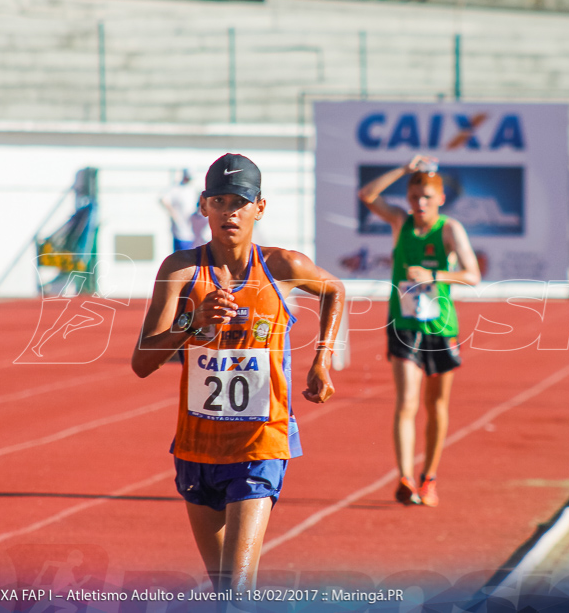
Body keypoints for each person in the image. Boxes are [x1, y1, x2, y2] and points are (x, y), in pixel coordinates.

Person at [131, 153, 345, 594]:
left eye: (240, 202)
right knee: (225, 591)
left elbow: (335, 289)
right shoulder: (181, 270)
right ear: (204, 207)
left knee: (237, 591)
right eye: (220, 201)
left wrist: (321, 358)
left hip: (260, 442)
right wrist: (193, 322)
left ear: (259, 208)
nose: (230, 212)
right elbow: (142, 361)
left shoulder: (284, 267)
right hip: (197, 447)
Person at [358, 154, 481, 507]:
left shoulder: (450, 229)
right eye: (414, 197)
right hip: (404, 325)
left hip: (440, 327)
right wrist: (403, 170)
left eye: (427, 197)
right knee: (406, 402)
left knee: (436, 405)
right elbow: (367, 195)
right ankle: (405, 478)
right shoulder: (400, 222)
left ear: (440, 198)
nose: (420, 203)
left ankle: (429, 476)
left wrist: (435, 276)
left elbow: (473, 275)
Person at [160, 169, 201, 252]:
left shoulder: (192, 189)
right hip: (180, 231)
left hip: (192, 231)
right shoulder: (176, 189)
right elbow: (163, 199)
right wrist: (173, 213)